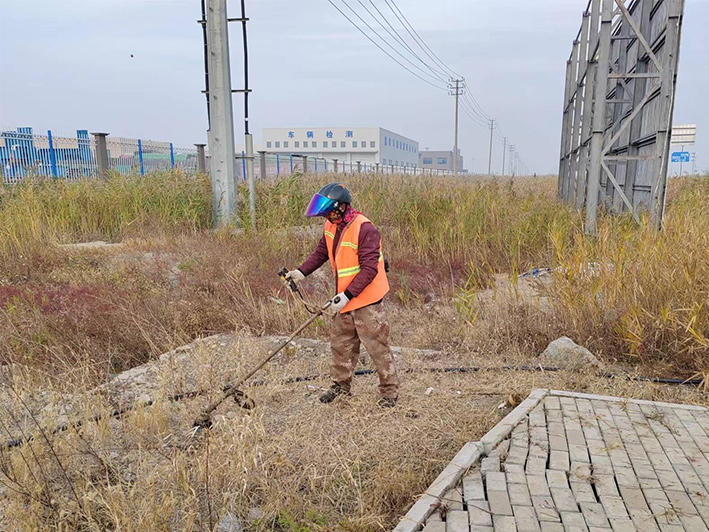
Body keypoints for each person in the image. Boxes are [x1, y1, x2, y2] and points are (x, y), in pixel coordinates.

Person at [286, 183, 399, 407]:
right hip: (344, 298)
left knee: (377, 347)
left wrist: (347, 295)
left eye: (330, 212)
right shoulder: (331, 225)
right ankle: (340, 387)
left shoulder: (365, 228)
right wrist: (301, 272)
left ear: (341, 207)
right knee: (341, 345)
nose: (326, 216)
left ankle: (389, 392)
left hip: (367, 300)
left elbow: (369, 269)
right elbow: (321, 252)